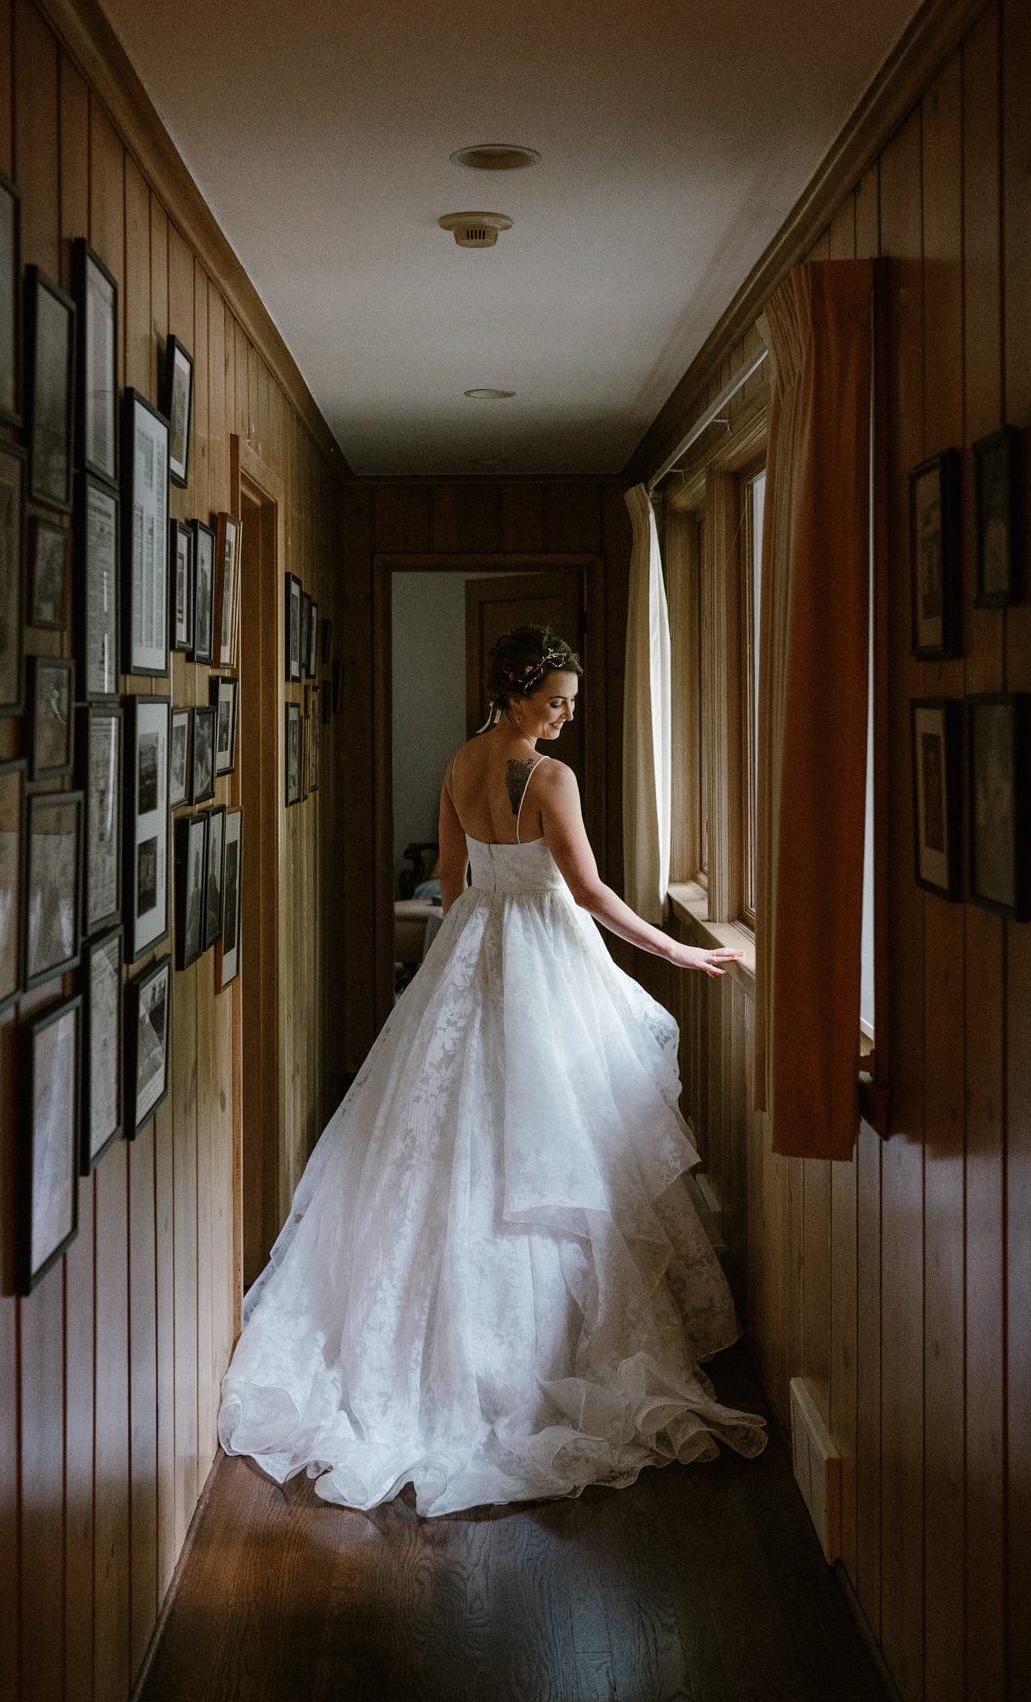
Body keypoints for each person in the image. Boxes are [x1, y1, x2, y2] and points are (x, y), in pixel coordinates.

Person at [217, 623, 767, 1516]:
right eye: (554, 702)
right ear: (514, 696)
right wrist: (674, 951)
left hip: (473, 940)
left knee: (458, 1127)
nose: (565, 717)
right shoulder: (549, 779)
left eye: (570, 703)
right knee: (551, 1131)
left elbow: (450, 874)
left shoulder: (459, 762)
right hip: (545, 946)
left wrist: (458, 957)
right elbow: (586, 891)